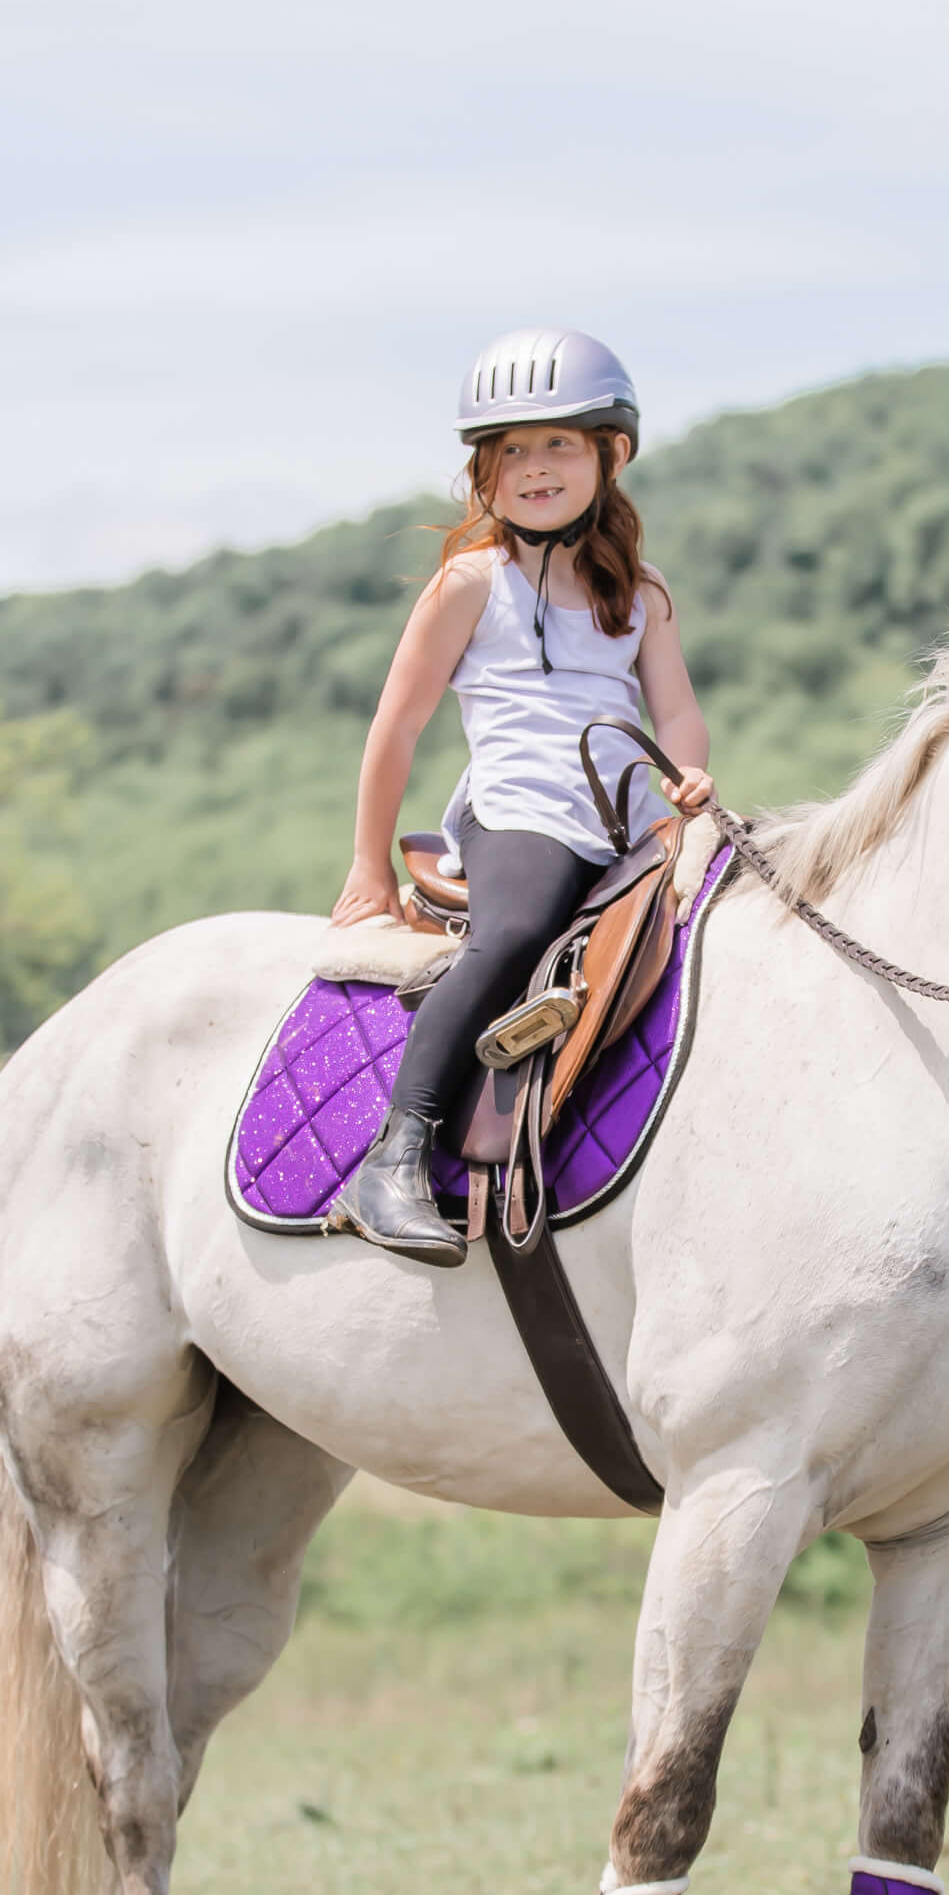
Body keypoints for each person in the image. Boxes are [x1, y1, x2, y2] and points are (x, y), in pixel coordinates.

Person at [327, 327, 716, 1264]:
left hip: (628, 819)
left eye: (557, 445)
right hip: (522, 809)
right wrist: (366, 864)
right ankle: (397, 1155)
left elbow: (678, 714)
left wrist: (691, 779)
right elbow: (397, 727)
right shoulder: (472, 584)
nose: (534, 468)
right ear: (484, 474)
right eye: (510, 452)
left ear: (608, 455)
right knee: (514, 929)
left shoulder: (642, 592)